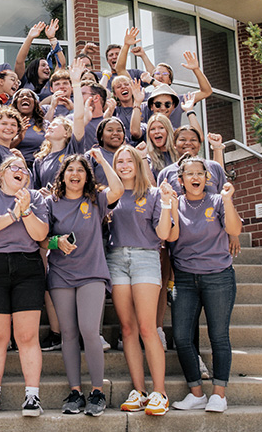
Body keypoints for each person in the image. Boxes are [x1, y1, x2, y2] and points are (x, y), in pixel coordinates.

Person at [43, 150, 123, 416]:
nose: (75, 174)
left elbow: (119, 189)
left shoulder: (96, 199)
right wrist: (56, 242)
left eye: (80, 170)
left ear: (87, 176)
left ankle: (97, 392)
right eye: (70, 170)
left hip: (92, 273)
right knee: (68, 333)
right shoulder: (51, 202)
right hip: (61, 274)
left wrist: (101, 161)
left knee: (90, 330)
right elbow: (41, 239)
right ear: (62, 176)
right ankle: (75, 392)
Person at [0, 156, 49, 417]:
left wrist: (25, 210)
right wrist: (12, 214)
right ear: (2, 173)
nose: (20, 171)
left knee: (27, 337)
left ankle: (32, 396)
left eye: (24, 169)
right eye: (14, 167)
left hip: (27, 266)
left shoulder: (35, 198)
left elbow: (40, 235)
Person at [107, 145, 176, 416]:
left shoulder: (154, 194)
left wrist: (168, 204)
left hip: (146, 257)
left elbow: (163, 233)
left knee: (148, 328)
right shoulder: (110, 194)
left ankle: (160, 392)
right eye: (119, 161)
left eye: (129, 161)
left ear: (138, 164)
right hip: (116, 259)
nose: (124, 165)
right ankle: (140, 390)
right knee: (127, 329)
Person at [169, 157, 242, 413]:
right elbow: (170, 237)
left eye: (200, 173)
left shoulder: (217, 200)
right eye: (189, 174)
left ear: (206, 178)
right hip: (186, 278)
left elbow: (235, 228)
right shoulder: (175, 204)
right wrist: (169, 206)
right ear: (181, 180)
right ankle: (197, 393)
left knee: (218, 336)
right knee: (181, 337)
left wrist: (228, 200)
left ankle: (219, 394)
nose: (195, 178)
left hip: (218, 276)